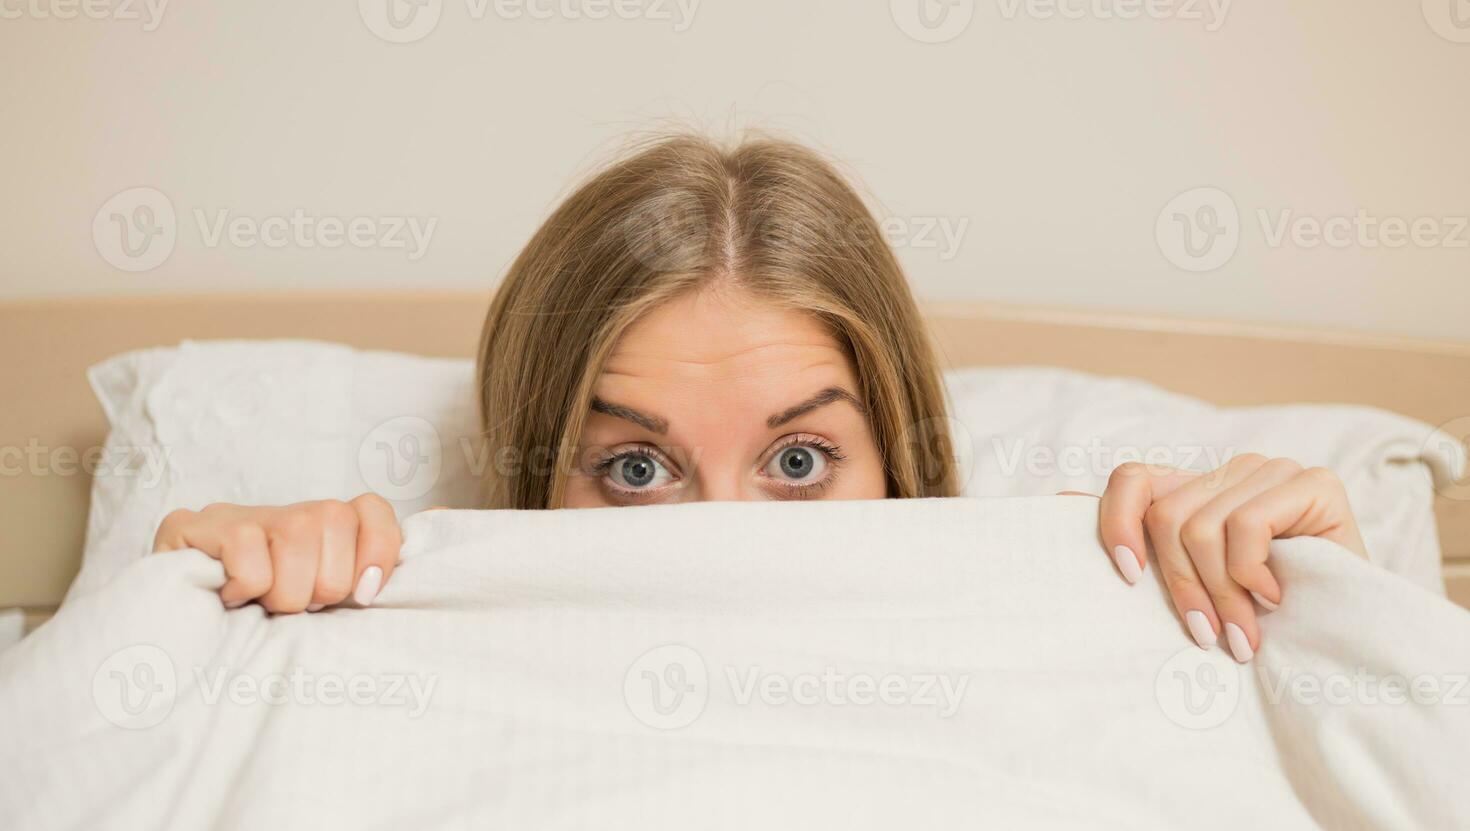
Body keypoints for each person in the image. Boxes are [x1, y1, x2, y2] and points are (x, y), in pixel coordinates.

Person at [152, 133, 1368, 664]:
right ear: (529, 487)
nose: (720, 531)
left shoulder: (1078, 585)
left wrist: (1322, 598)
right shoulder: (402, 627)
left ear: (899, 457)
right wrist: (206, 603)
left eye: (799, 461)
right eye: (634, 467)